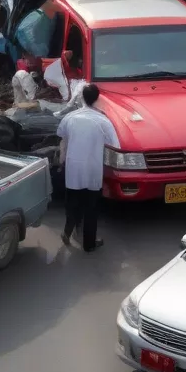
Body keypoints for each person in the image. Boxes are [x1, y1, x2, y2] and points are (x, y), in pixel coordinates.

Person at [57, 83, 119, 252]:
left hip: (73, 169)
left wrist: (62, 161)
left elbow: (63, 140)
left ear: (82, 98)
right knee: (91, 207)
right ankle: (89, 243)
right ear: (98, 99)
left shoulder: (70, 118)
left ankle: (67, 232)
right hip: (93, 170)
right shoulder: (103, 120)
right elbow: (115, 144)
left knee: (72, 203)